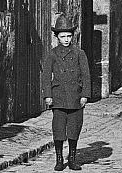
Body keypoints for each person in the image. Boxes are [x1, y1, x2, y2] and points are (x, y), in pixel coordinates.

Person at [40, 15, 90, 171]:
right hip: (59, 97)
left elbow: (86, 75)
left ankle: (73, 159)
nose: (66, 39)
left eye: (69, 36)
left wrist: (85, 95)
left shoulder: (79, 53)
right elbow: (46, 75)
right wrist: (48, 95)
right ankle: (59, 159)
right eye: (63, 36)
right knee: (59, 129)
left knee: (74, 129)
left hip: (75, 97)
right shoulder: (52, 54)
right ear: (57, 37)